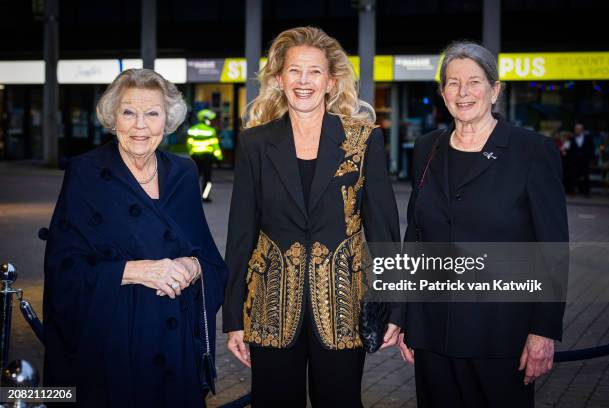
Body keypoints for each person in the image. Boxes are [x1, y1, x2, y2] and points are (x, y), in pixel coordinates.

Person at [223, 26, 402, 407]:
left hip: (343, 305)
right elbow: (240, 233)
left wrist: (395, 307)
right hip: (271, 304)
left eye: (315, 71)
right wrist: (234, 318)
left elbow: (385, 232)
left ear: (330, 81)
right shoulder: (255, 142)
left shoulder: (363, 139)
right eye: (294, 71)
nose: (304, 81)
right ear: (278, 78)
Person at [43, 68, 228, 407]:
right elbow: (62, 270)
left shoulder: (184, 173)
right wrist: (137, 271)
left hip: (176, 347)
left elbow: (211, 260)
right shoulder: (86, 172)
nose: (140, 125)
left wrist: (194, 265)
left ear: (167, 120)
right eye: (129, 112)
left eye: (152, 113)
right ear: (113, 118)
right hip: (115, 343)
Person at [399, 41, 568, 408]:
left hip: (500, 334)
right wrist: (403, 315)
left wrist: (543, 330)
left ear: (494, 90)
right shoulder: (427, 148)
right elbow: (414, 234)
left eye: (474, 82)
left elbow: (552, 248)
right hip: (432, 331)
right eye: (453, 83)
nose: (463, 92)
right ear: (442, 93)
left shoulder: (531, 151)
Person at [187, 109, 223, 201]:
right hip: (207, 158)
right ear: (206, 119)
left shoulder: (192, 130)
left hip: (195, 157)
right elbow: (215, 145)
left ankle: (191, 196)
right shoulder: (210, 131)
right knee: (207, 178)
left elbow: (189, 143)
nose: (211, 121)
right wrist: (219, 158)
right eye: (210, 119)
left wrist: (191, 153)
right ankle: (205, 196)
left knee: (194, 178)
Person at [567, 122, 595, 196]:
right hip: (574, 160)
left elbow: (592, 148)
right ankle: (572, 192)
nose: (577, 130)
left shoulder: (587, 137)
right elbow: (568, 148)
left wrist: (589, 156)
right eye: (576, 129)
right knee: (573, 175)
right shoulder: (572, 138)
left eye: (579, 129)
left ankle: (587, 192)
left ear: (582, 130)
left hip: (584, 160)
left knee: (586, 176)